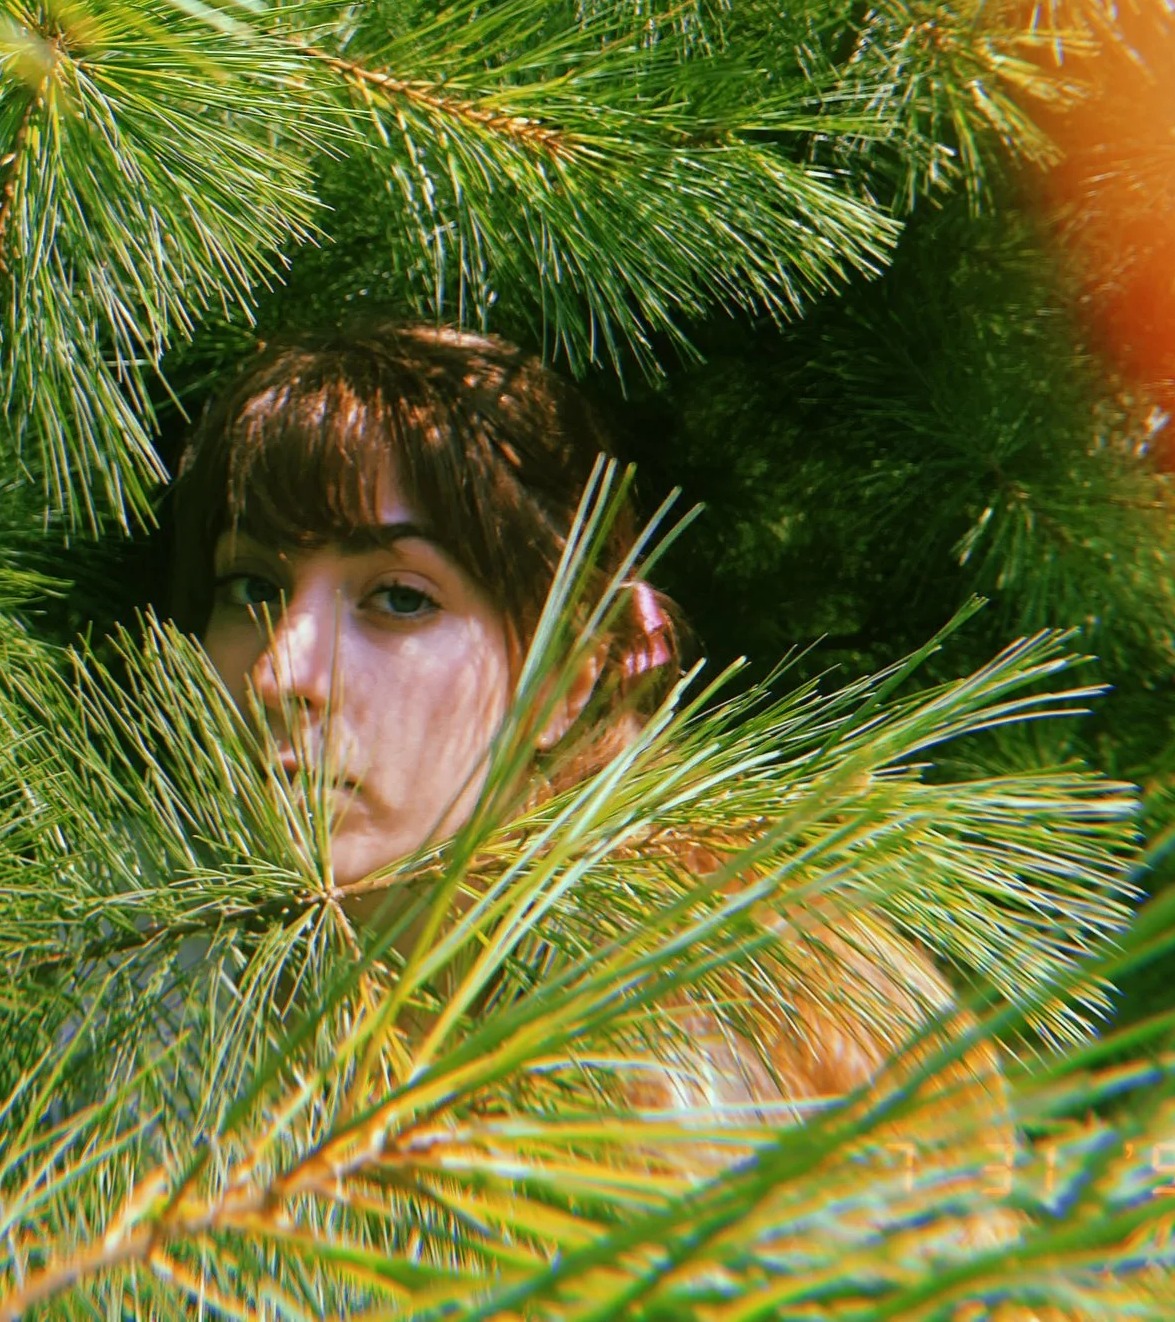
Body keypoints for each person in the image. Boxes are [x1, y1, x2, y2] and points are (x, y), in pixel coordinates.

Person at [169, 320, 1013, 1148]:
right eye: (249, 586)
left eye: (398, 596)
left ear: (565, 678)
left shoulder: (725, 1054)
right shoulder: (132, 989)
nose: (282, 672)